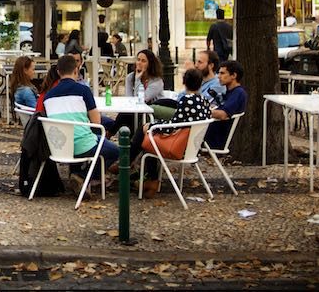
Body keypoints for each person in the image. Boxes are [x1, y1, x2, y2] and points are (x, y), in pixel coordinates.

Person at [42, 54, 120, 199]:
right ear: (76, 70)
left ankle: (79, 176)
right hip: (83, 146)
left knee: (89, 138)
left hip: (59, 147)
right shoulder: (83, 91)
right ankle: (83, 176)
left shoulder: (48, 96)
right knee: (115, 151)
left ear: (58, 72)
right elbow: (96, 122)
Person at [126, 68, 212, 198]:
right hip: (192, 147)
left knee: (146, 134)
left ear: (185, 82)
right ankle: (144, 176)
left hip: (179, 147)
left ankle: (129, 164)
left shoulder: (186, 100)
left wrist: (153, 126)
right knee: (149, 134)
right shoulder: (204, 102)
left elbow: (173, 125)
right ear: (200, 83)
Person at [204, 60, 248, 150]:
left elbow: (223, 114)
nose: (219, 76)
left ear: (234, 76)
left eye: (222, 73)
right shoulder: (228, 92)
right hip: (210, 133)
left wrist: (201, 111)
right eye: (218, 73)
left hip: (216, 138)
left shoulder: (238, 93)